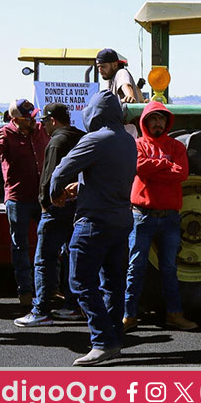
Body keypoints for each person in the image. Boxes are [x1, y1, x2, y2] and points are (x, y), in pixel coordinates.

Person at [49, 90, 137, 366]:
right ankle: (113, 338)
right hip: (121, 220)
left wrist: (55, 194)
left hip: (94, 223)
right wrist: (84, 186)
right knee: (113, 284)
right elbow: (109, 177)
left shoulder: (94, 139)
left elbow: (61, 171)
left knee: (80, 282)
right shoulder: (128, 141)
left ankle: (102, 341)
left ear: (94, 113)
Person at [124, 102, 197, 331]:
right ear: (145, 122)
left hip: (169, 218)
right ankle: (128, 315)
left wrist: (154, 168)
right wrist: (165, 164)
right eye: (153, 119)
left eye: (161, 119)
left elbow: (181, 172)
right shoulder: (136, 145)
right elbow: (138, 167)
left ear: (167, 122)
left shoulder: (176, 147)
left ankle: (174, 314)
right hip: (141, 216)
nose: (158, 123)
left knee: (169, 268)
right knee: (135, 267)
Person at [14, 103, 86, 327]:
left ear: (53, 120)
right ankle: (73, 305)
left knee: (44, 258)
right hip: (78, 206)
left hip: (56, 208)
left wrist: (45, 202)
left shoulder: (56, 141)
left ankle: (41, 309)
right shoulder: (83, 137)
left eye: (44, 121)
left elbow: (50, 176)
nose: (41, 125)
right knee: (71, 257)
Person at [0, 99, 49, 306]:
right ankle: (26, 292)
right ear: (16, 119)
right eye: (28, 118)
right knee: (20, 246)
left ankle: (49, 289)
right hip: (18, 198)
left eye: (33, 116)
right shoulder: (4, 134)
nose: (33, 121)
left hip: (42, 197)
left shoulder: (41, 130)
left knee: (49, 244)